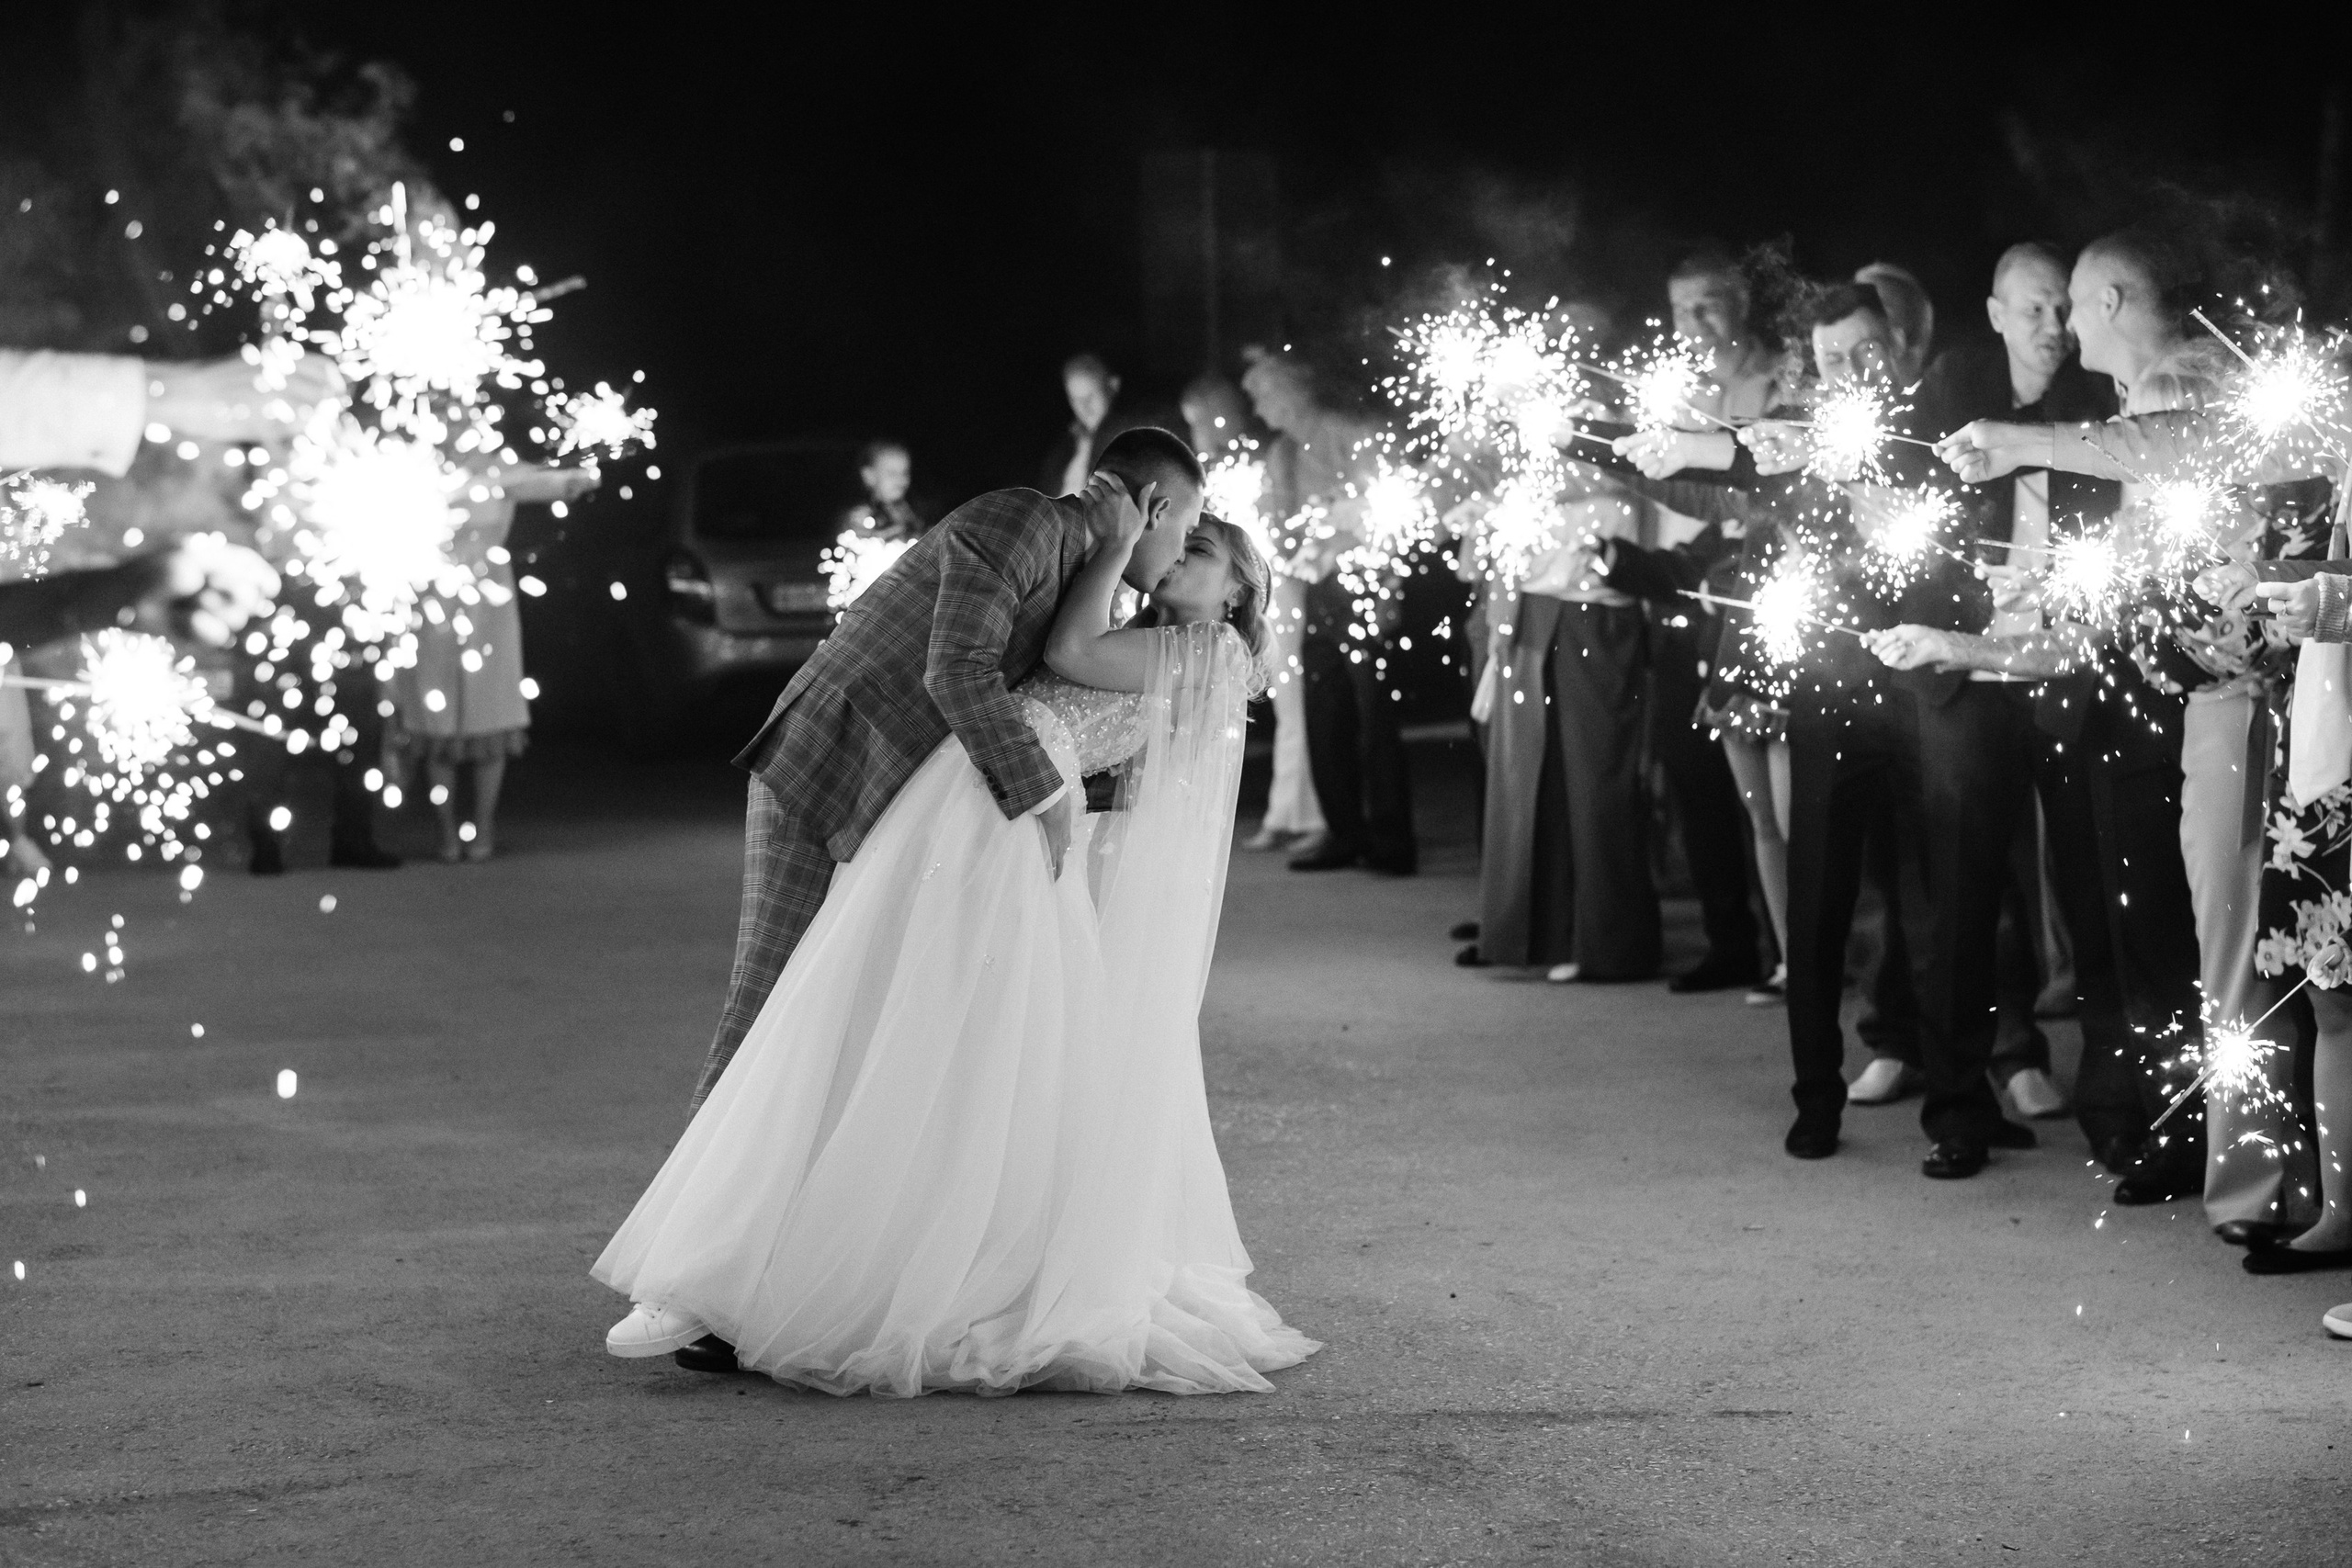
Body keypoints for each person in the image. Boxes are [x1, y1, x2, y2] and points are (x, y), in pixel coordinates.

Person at [595, 500, 1318, 1394]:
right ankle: (794, 1264)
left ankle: (846, 1274)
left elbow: (1067, 658)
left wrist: (1119, 541)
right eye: (1181, 542)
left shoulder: (1217, 652)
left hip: (996, 808)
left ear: (1244, 585)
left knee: (920, 1017)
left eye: (1201, 551)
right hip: (978, 797)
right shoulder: (1158, 638)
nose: (1178, 560)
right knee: (879, 1007)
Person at [688, 429, 1204, 1125]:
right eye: (1190, 529)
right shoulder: (1018, 519)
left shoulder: (1095, 583)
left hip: (901, 809)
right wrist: (1047, 797)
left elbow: (1041, 713)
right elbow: (957, 669)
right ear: (1156, 504)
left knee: (844, 1027)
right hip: (826, 768)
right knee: (768, 1008)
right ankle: (691, 1228)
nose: (1181, 552)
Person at [1877, 242, 2130, 1138]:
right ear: (1993, 313)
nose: (2052, 328)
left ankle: (2114, 1105)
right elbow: (1896, 490)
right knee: (1962, 892)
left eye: (2063, 309)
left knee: (2093, 884)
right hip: (1961, 673)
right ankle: (1957, 1107)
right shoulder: (1952, 383)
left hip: (2064, 667)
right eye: (2031, 309)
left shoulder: (2095, 399)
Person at [1242, 348, 1415, 874]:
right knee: (1325, 708)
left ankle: (1390, 839)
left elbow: (1390, 504)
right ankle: (1344, 831)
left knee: (1372, 713)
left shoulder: (1341, 431)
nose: (1256, 405)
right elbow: (1272, 515)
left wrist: (1345, 541)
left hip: (1361, 583)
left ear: (1291, 391)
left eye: (1262, 393)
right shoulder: (1282, 451)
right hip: (1313, 588)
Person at [390, 463, 599, 863]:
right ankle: (447, 834)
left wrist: (590, 470)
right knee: (437, 721)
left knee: (490, 712)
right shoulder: (414, 470)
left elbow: (559, 483)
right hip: (431, 597)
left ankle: (484, 826)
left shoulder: (501, 472)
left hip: (490, 602)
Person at [844, 439, 930, 542]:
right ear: (869, 476)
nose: (901, 479)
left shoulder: (913, 510)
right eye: (892, 473)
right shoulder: (862, 515)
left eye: (905, 472)